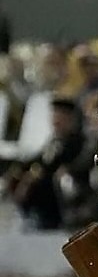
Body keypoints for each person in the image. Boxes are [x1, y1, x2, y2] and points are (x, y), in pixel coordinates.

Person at [3, 97, 84, 229]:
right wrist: (19, 170)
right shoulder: (54, 141)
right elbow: (39, 159)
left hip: (55, 191)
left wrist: (32, 177)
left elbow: (58, 165)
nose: (55, 121)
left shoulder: (74, 142)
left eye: (59, 117)